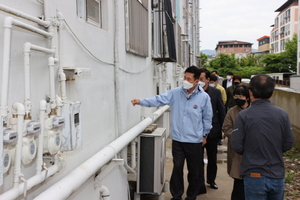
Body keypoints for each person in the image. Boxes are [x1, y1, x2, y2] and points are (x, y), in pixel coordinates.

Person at [131, 66, 213, 200]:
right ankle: (176, 196)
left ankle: (191, 196)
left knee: (194, 172)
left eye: (189, 79)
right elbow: (158, 99)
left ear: (197, 81)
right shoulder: (175, 93)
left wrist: (204, 135)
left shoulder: (204, 97)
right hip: (178, 140)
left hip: (194, 140)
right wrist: (141, 101)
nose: (185, 81)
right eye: (184, 77)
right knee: (177, 169)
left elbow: (207, 118)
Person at [231, 74, 294, 200]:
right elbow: (289, 143)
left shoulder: (243, 115)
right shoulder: (282, 115)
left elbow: (236, 145)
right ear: (272, 93)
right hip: (276, 174)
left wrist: (251, 151)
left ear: (250, 92)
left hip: (254, 173)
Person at [198, 69, 225, 191]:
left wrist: (223, 128)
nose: (199, 81)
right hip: (197, 131)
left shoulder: (215, 92)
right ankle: (200, 183)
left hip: (213, 131)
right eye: (198, 78)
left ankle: (211, 179)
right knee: (198, 159)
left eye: (202, 79)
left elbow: (221, 111)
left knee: (212, 158)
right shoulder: (194, 92)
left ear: (208, 80)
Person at [222, 85, 250, 200]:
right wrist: (238, 138)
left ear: (247, 97)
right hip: (237, 149)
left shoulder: (253, 110)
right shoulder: (232, 111)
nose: (238, 98)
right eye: (236, 96)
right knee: (238, 179)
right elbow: (226, 128)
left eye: (241, 96)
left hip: (252, 149)